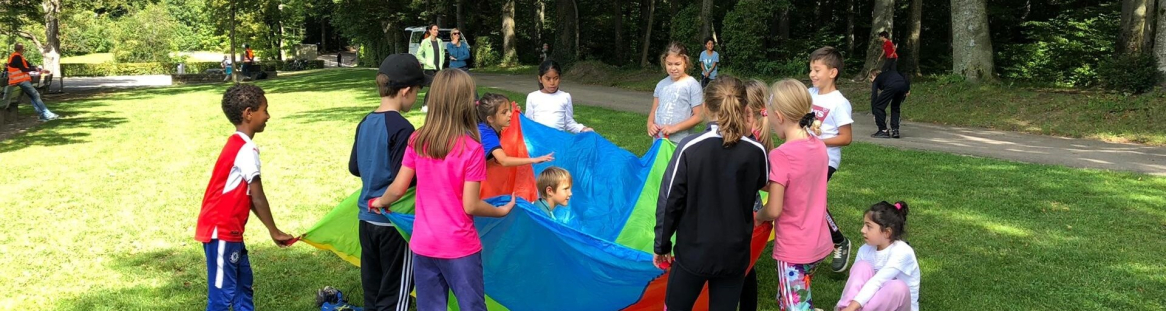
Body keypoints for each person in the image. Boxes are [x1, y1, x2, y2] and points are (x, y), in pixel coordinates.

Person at [370, 69, 517, 311]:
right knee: (472, 306)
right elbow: (471, 205)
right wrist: (500, 211)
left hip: (424, 244)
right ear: (467, 105)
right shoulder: (472, 149)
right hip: (459, 247)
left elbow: (397, 188)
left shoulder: (418, 140)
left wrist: (379, 202)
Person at [654, 76, 769, 311]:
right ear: (745, 109)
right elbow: (762, 183)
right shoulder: (755, 150)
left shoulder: (689, 147)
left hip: (693, 253)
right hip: (734, 256)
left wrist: (661, 245)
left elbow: (669, 201)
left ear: (706, 107)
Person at [195, 84, 295, 311]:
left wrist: (272, 229)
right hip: (220, 231)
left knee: (243, 288)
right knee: (221, 296)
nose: (268, 116)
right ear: (248, 113)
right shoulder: (246, 150)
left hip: (231, 232)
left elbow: (248, 198)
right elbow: (257, 196)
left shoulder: (237, 144)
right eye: (264, 110)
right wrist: (274, 230)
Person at [349, 54, 430, 311]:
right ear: (405, 91)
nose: (416, 97)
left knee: (373, 288)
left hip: (366, 219)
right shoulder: (403, 128)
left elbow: (354, 167)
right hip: (393, 222)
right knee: (395, 293)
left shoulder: (365, 121)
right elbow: (402, 180)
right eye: (417, 91)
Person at [754, 79, 833, 311]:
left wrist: (758, 216)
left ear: (778, 117)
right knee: (791, 296)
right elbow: (799, 183)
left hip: (794, 249)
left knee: (796, 306)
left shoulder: (781, 155)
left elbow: (775, 209)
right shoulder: (818, 145)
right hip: (819, 242)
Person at [807, 46, 855, 273]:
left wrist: (819, 142)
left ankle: (839, 241)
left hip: (826, 160)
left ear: (833, 72)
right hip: (804, 156)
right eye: (811, 70)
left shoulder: (839, 102)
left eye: (817, 70)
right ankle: (812, 246)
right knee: (805, 200)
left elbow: (846, 138)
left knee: (813, 201)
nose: (812, 74)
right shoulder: (809, 94)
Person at [835, 201, 920, 311]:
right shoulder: (865, 250)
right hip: (869, 302)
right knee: (861, 267)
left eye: (869, 226)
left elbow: (877, 282)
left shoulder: (902, 252)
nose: (862, 230)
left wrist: (852, 308)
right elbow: (853, 285)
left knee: (898, 287)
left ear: (887, 233)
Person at [737, 79, 774, 311]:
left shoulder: (751, 138)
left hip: (743, 205)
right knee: (746, 263)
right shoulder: (760, 132)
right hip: (751, 202)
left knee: (741, 265)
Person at [648, 42, 704, 144]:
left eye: (677, 64)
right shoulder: (661, 85)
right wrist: (650, 125)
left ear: (685, 63)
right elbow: (653, 111)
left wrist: (674, 128)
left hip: (681, 143)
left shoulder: (692, 85)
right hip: (659, 141)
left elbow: (699, 116)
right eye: (669, 64)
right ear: (664, 62)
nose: (673, 68)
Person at [477, 93, 554, 166]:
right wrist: (534, 160)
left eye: (509, 110)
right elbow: (504, 161)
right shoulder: (487, 135)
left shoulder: (488, 126)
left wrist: (516, 115)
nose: (510, 114)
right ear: (490, 119)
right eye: (504, 112)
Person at [525, 60, 592, 133]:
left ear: (560, 78)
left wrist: (583, 129)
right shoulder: (533, 97)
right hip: (540, 141)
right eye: (548, 79)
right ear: (540, 79)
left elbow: (568, 122)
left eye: (555, 78)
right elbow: (528, 123)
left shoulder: (565, 97)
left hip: (559, 141)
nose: (552, 83)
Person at [6, 43, 59, 121]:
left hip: (20, 81)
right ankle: (47, 114)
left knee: (33, 96)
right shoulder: (16, 57)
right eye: (23, 49)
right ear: (21, 49)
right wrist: (36, 69)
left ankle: (42, 115)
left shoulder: (18, 56)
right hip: (21, 81)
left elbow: (29, 66)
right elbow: (24, 69)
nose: (24, 50)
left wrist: (40, 70)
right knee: (35, 95)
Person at [868, 69, 910, 139]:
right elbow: (905, 75)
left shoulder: (877, 79)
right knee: (895, 106)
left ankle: (883, 130)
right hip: (903, 85)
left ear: (873, 75)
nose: (871, 81)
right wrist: (907, 88)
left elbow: (874, 96)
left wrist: (874, 113)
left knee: (878, 106)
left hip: (892, 86)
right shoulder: (889, 74)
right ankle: (895, 130)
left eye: (871, 79)